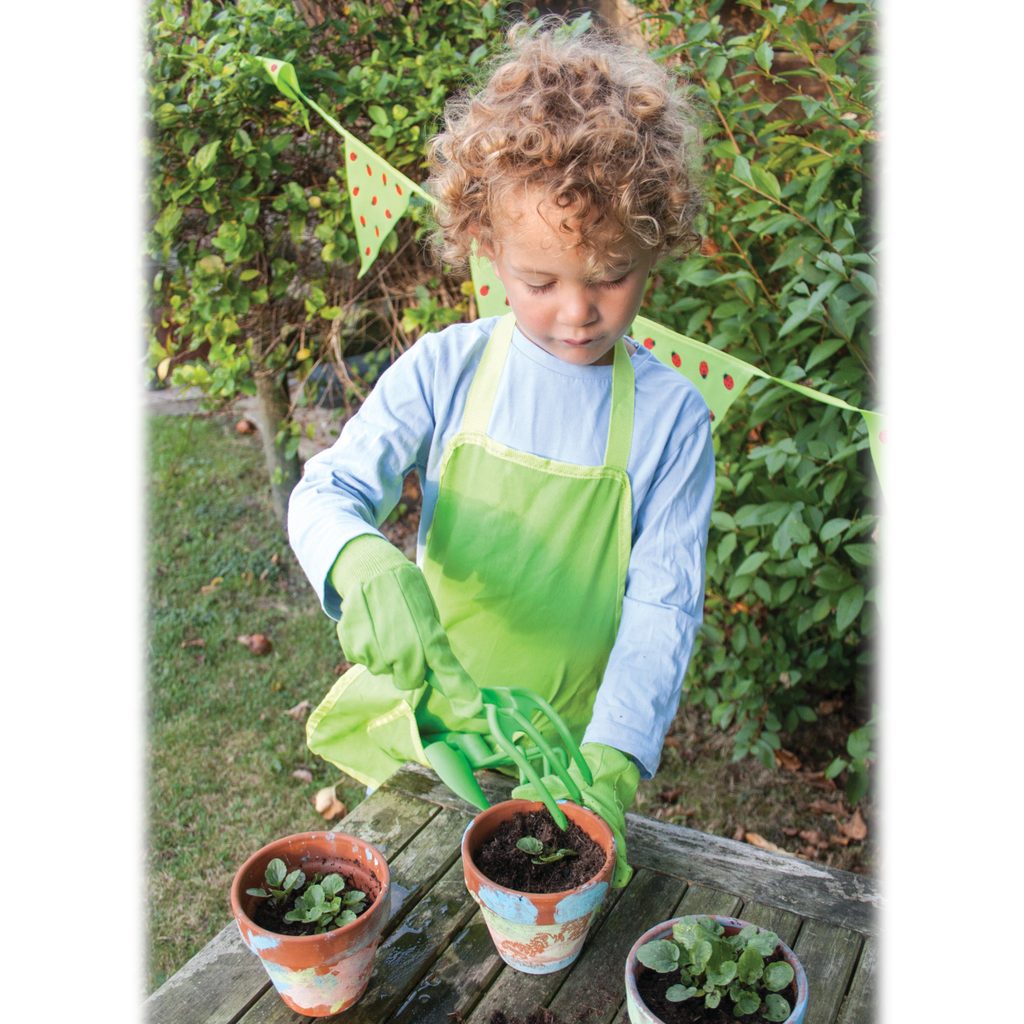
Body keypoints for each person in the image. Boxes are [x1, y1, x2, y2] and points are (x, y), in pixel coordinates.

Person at [288, 17, 714, 888]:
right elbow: (325, 491)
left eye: (612, 275)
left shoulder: (672, 418)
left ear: (655, 248)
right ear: (486, 246)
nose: (577, 312)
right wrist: (359, 559)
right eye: (540, 280)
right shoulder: (445, 370)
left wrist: (614, 757)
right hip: (430, 740)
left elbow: (663, 606)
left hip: (566, 758)